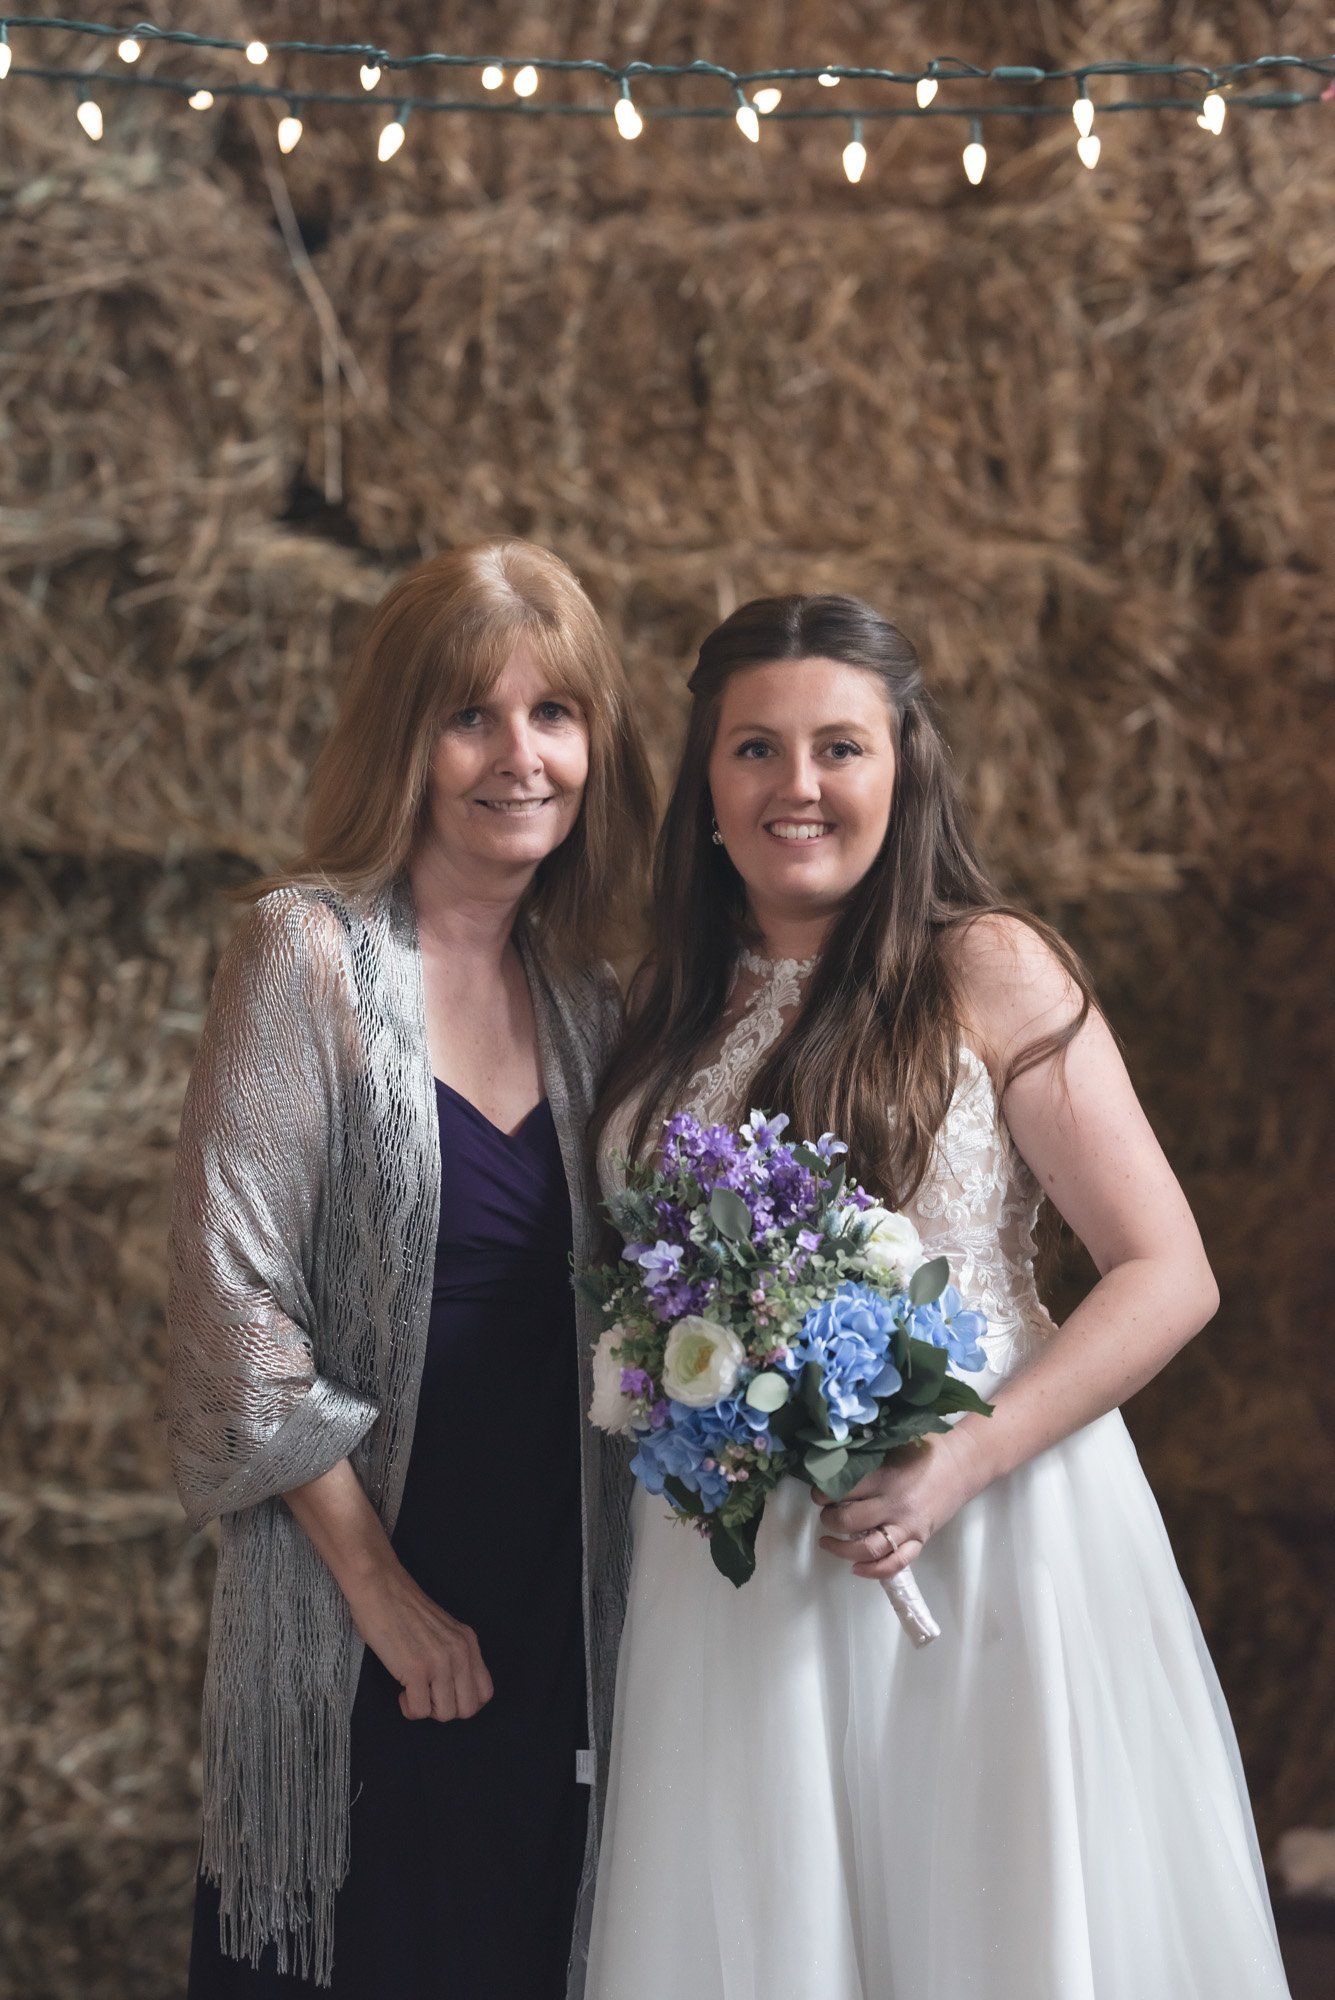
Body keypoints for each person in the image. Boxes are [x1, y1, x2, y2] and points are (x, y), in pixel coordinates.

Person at [584, 593, 1291, 1999]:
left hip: (978, 1538)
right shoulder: (664, 1000)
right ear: (703, 786)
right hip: (733, 1572)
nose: (798, 787)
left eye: (838, 748)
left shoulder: (987, 967)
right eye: (755, 750)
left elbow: (1170, 1272)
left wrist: (954, 1466)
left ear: (903, 769)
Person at [160, 540, 654, 1998]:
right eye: (471, 717)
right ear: (407, 738)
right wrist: (381, 1595)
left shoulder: (594, 1001)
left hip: (552, 1600)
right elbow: (228, 1307)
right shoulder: (303, 952)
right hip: (356, 1599)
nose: (521, 756)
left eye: (554, 715)